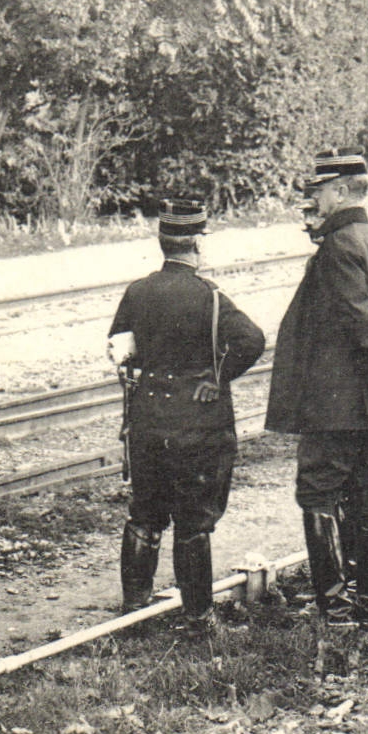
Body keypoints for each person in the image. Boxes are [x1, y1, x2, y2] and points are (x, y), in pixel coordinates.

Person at [265, 149, 368, 626]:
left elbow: (361, 327)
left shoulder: (338, 248)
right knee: (365, 495)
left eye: (317, 192)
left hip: (336, 406)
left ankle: (335, 606)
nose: (312, 202)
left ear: (340, 192)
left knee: (317, 494)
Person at [107, 199, 266, 628]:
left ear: (163, 244)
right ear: (196, 244)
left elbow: (118, 350)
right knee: (194, 521)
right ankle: (198, 616)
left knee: (145, 513)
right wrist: (219, 376)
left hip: (147, 420)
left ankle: (134, 610)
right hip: (197, 423)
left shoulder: (137, 292)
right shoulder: (211, 297)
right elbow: (252, 340)